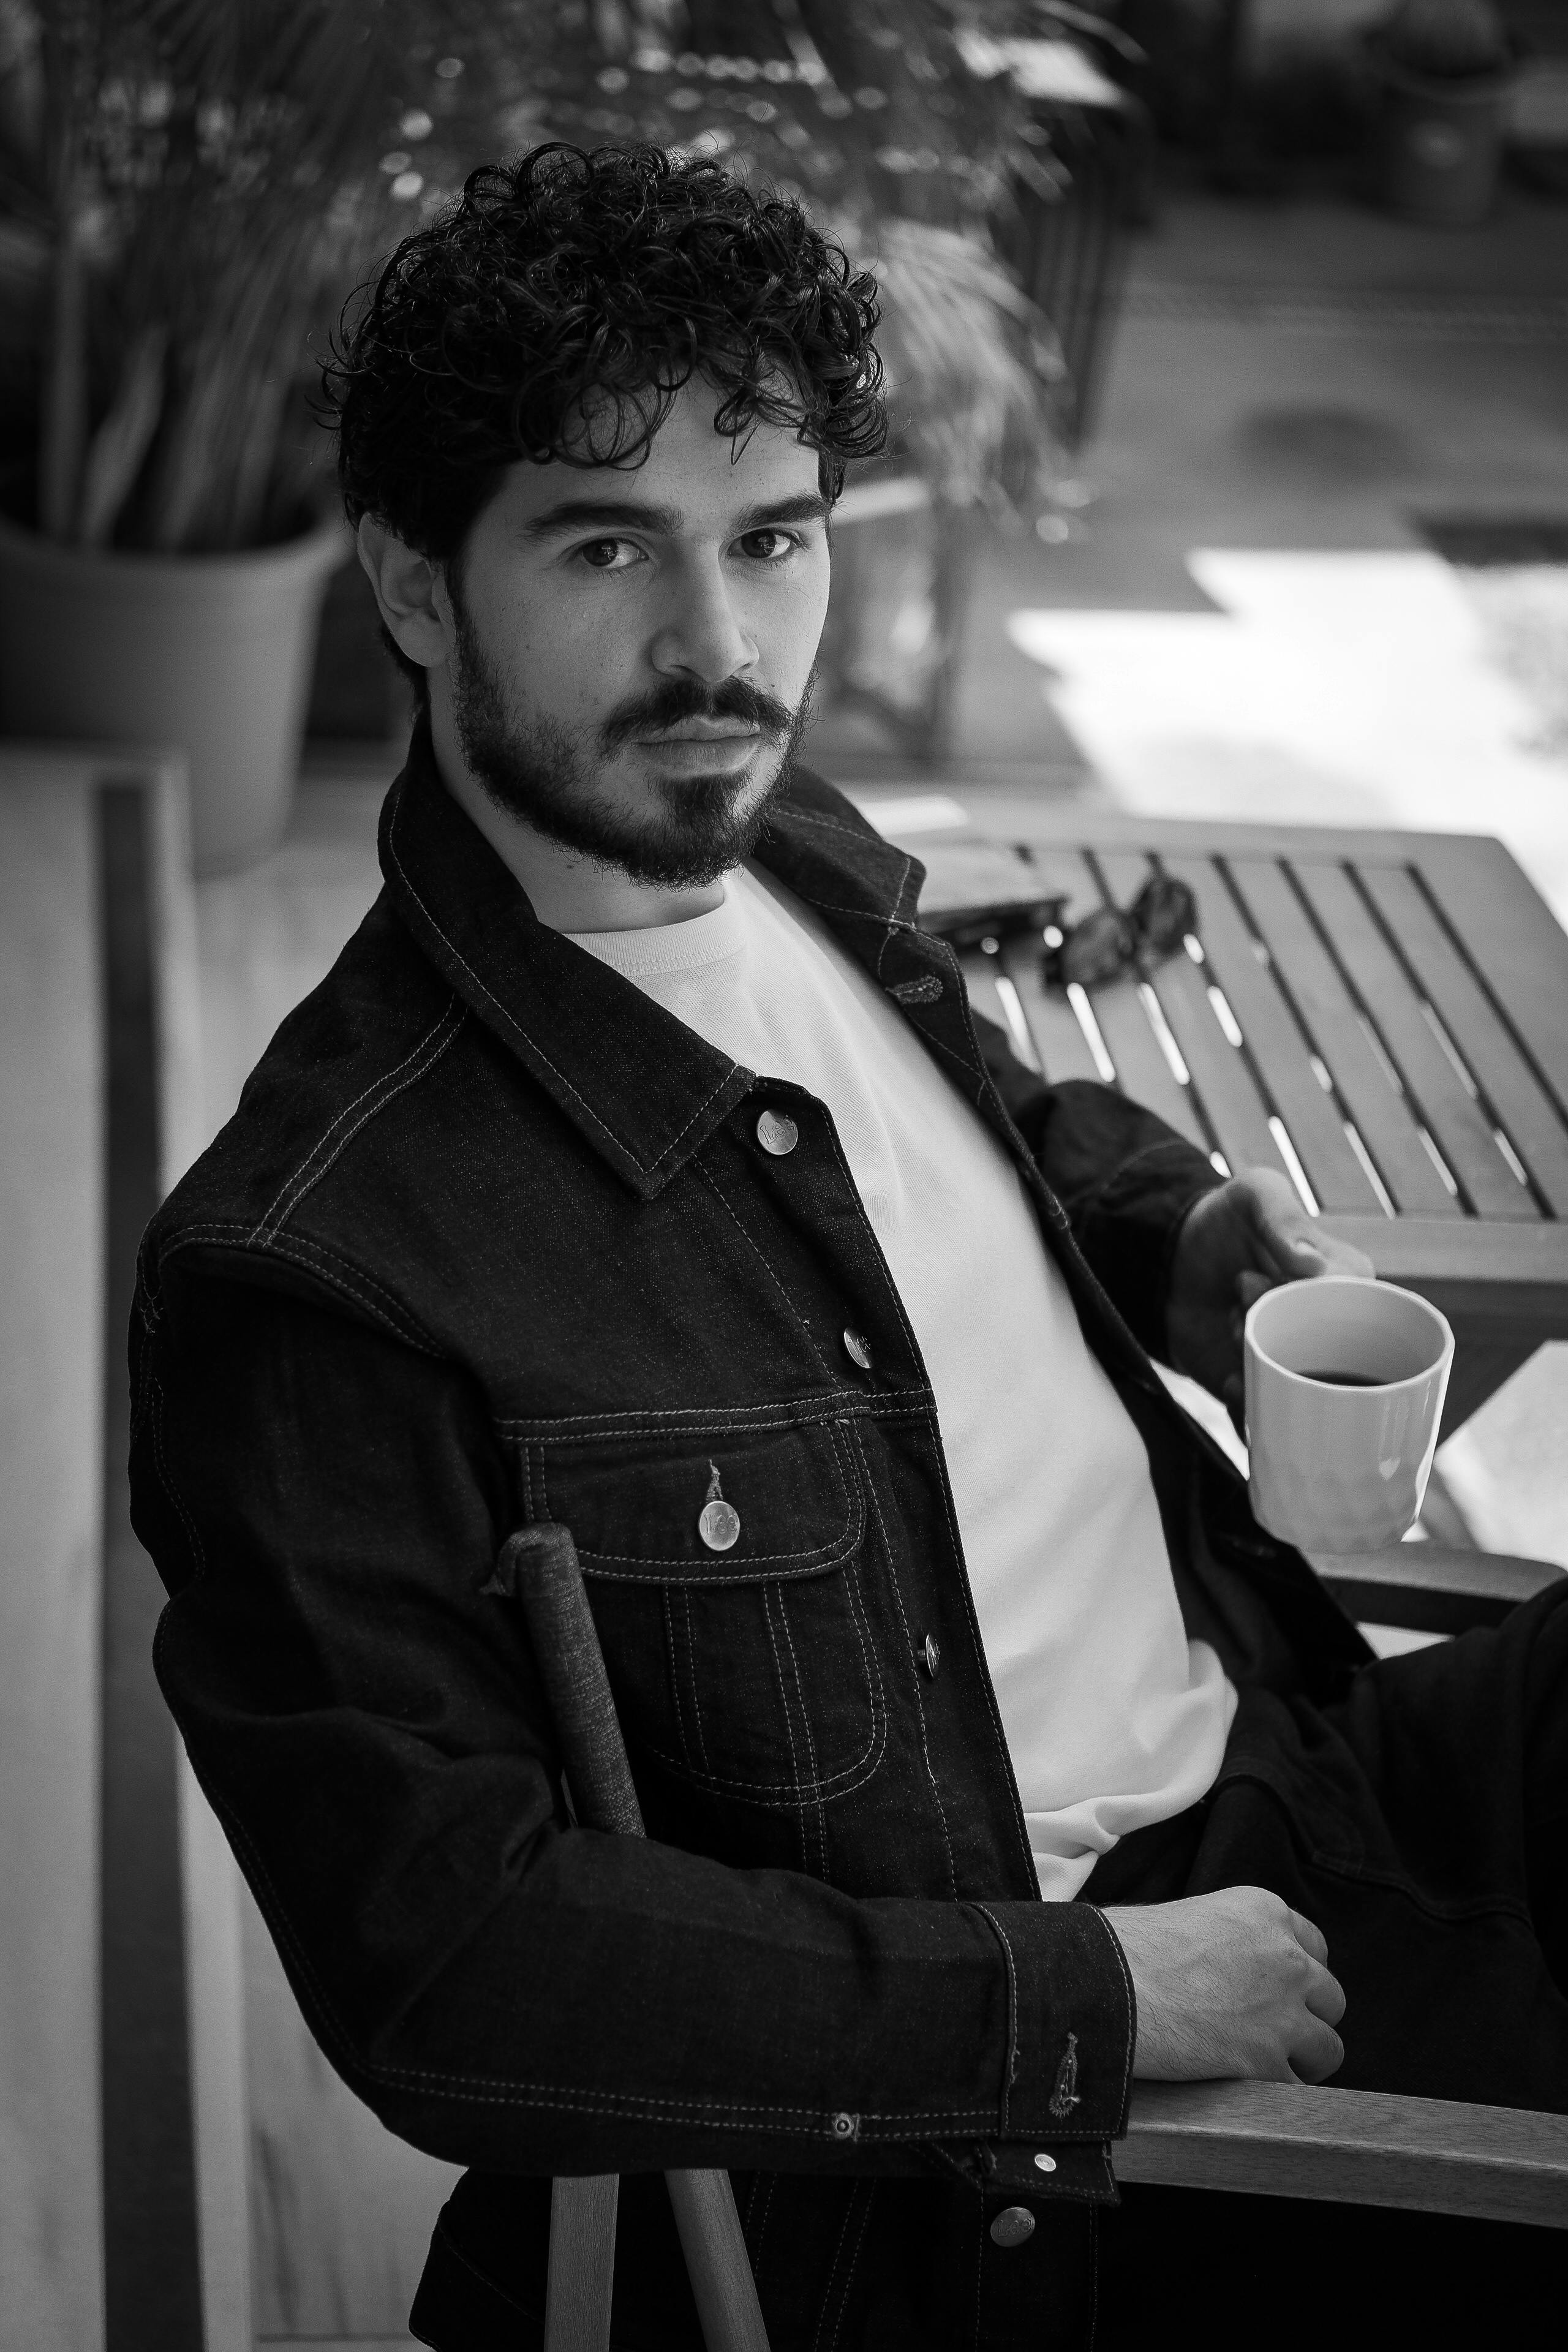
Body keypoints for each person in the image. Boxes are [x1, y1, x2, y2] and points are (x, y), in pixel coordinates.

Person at [129, 145, 1568, 2351]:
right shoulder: (319, 1269)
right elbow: (450, 1964)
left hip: (1301, 1738)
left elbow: (980, 1107)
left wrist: (1179, 1232)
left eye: (772, 538)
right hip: (1055, 2123)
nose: (719, 648)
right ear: (413, 584)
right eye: (608, 545)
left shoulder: (771, 831)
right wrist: (1086, 2001)